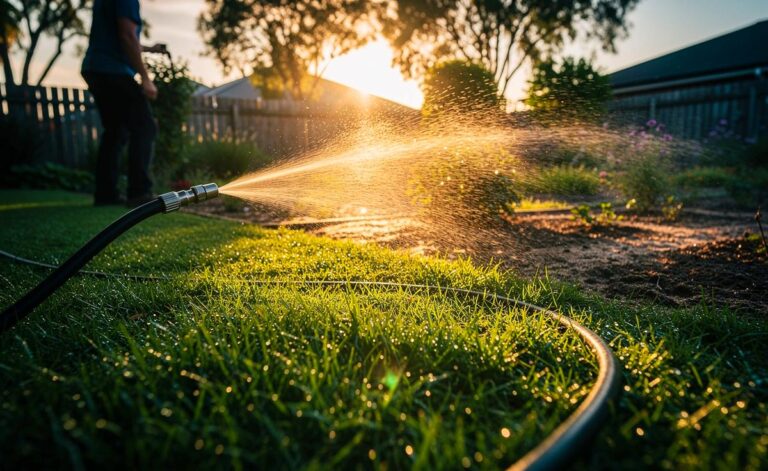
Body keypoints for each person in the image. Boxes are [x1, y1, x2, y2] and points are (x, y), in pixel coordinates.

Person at [81, 0, 165, 207]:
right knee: (145, 127)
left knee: (115, 131)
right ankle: (139, 192)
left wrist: (149, 48)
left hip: (95, 68)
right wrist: (145, 78)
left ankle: (106, 193)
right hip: (114, 70)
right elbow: (127, 35)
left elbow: (117, 38)